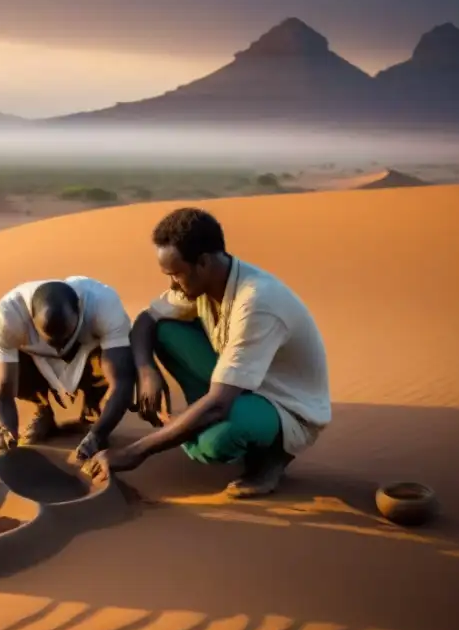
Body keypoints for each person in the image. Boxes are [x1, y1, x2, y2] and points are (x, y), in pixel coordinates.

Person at [84, 207, 331, 497]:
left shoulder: (256, 302)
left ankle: (273, 456)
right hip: (237, 386)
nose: (171, 284)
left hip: (284, 405)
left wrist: (134, 452)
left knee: (213, 445)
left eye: (176, 275)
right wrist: (146, 370)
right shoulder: (207, 282)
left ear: (202, 262)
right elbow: (145, 321)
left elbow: (218, 404)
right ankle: (195, 422)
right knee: (163, 329)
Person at [0, 276, 136, 462]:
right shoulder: (8, 314)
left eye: (64, 339)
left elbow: (122, 381)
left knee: (129, 352)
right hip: (32, 359)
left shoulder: (103, 303)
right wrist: (6, 430)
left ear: (80, 310)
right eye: (50, 340)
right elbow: (4, 388)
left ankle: (93, 407)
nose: (58, 348)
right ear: (31, 317)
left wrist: (97, 436)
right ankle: (42, 408)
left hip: (88, 355)